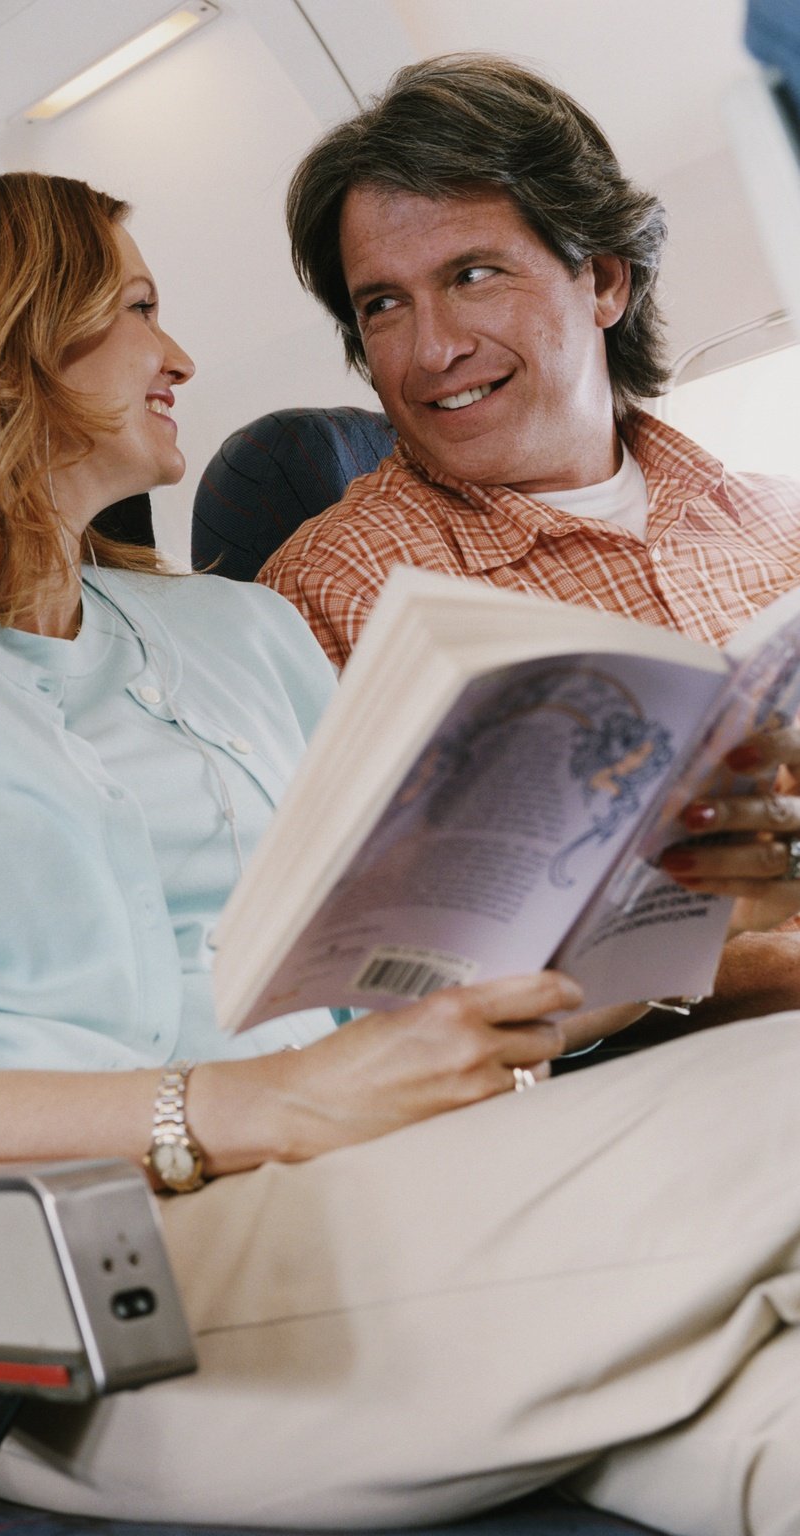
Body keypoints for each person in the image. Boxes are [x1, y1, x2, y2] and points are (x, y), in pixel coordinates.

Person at [0, 171, 800, 1531]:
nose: (176, 357)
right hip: (104, 1295)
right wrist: (264, 1105)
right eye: (133, 313)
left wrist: (686, 904)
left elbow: (422, 1004)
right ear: (4, 345)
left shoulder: (241, 634)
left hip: (427, 1210)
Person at [253, 53, 800, 1026]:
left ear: (602, 280)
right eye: (383, 304)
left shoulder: (772, 520)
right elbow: (384, 989)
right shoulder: (335, 590)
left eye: (471, 276)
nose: (431, 350)